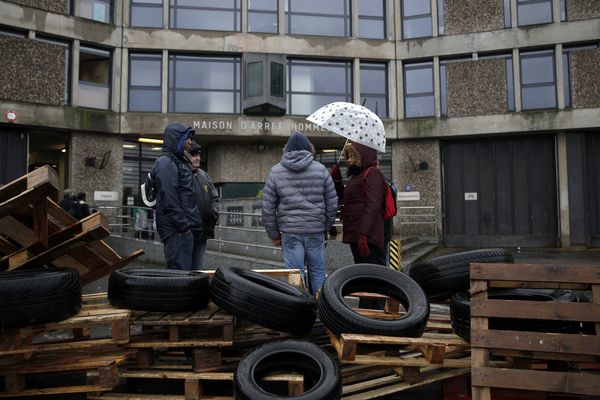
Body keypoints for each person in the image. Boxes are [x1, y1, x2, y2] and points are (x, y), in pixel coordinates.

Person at [261, 132, 338, 294]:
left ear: (286, 150)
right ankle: (320, 310)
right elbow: (332, 203)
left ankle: (299, 310)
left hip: (291, 232)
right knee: (317, 272)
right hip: (315, 231)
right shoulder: (321, 170)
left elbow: (268, 208)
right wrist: (325, 226)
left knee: (295, 275)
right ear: (309, 149)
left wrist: (274, 235)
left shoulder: (276, 172)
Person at [332, 142, 387, 308]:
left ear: (362, 156)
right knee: (364, 276)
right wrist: (337, 181)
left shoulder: (373, 174)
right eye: (347, 156)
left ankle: (374, 312)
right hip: (357, 235)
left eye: (352, 156)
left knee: (372, 277)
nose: (348, 160)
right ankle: (366, 310)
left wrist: (364, 235)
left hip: (367, 237)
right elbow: (348, 200)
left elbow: (373, 205)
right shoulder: (358, 175)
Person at [150, 123, 202, 270]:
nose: (190, 142)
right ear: (177, 139)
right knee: (178, 278)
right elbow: (169, 199)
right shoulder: (165, 163)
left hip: (182, 232)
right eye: (187, 138)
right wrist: (184, 227)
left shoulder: (177, 161)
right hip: (177, 232)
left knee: (185, 278)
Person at [188, 141, 220, 269]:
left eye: (199, 155)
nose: (198, 158)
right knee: (183, 271)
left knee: (197, 269)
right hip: (187, 233)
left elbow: (215, 198)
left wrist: (213, 214)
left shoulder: (204, 175)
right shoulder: (181, 175)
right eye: (194, 155)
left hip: (202, 232)